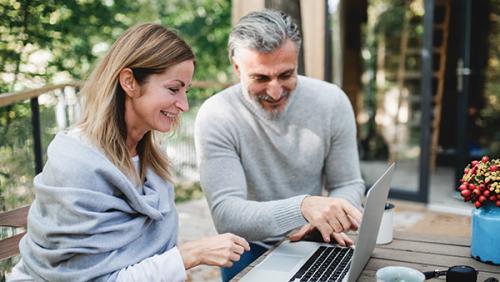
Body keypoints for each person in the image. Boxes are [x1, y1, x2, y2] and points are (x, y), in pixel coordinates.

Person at [8, 23, 249, 282]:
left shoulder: (152, 167)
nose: (183, 104)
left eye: (185, 91)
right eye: (173, 89)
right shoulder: (78, 164)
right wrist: (189, 254)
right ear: (129, 82)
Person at [194, 9, 365, 281]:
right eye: (260, 78)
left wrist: (329, 218)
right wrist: (302, 207)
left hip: (316, 239)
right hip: (248, 248)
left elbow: (349, 182)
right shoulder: (217, 114)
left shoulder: (332, 102)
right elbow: (227, 214)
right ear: (237, 68)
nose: (275, 91)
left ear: (297, 60)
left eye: (286, 75)